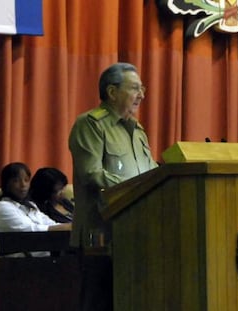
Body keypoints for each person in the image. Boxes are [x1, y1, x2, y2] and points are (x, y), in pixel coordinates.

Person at [68, 62, 158, 311]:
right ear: (112, 92)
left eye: (142, 89)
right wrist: (140, 188)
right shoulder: (91, 124)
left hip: (136, 235)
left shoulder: (137, 130)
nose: (141, 95)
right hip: (100, 236)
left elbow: (151, 172)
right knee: (99, 304)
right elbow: (92, 174)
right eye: (134, 88)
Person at [0, 162, 71, 234]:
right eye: (16, 181)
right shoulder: (4, 207)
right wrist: (66, 227)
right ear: (6, 184)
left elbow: (50, 223)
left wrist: (70, 227)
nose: (23, 185)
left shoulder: (30, 205)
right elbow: (31, 230)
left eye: (26, 180)